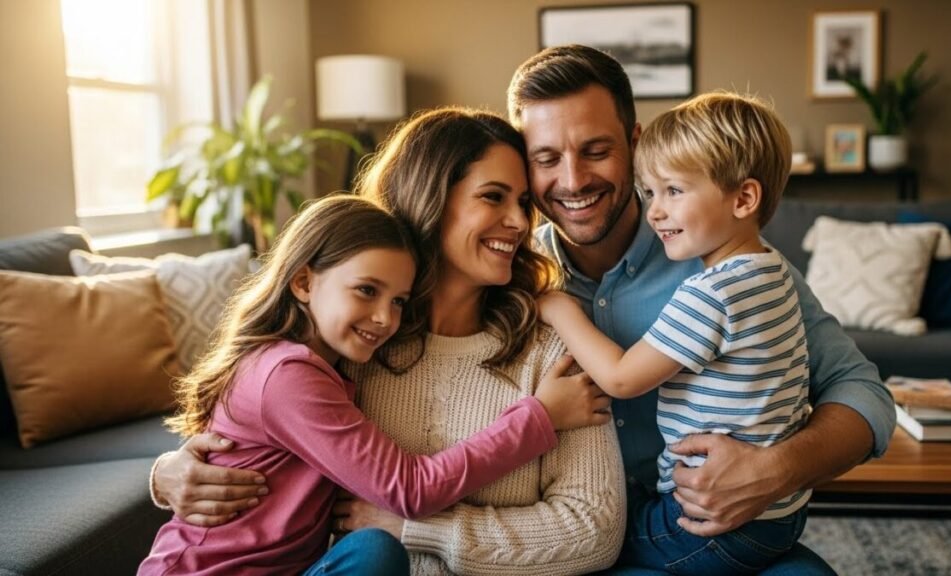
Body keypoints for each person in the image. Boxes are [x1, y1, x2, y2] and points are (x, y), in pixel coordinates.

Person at [150, 108, 627, 575]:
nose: (521, 223)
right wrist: (165, 473)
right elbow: (239, 442)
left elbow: (594, 531)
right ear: (430, 198)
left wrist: (414, 530)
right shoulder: (353, 346)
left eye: (523, 203)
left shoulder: (550, 352)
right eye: (493, 197)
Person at [506, 44, 893, 573]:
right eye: (546, 159)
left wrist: (775, 470)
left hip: (707, 527)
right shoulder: (512, 278)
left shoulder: (729, 262)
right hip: (575, 530)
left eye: (595, 150)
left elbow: (864, 393)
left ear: (635, 144)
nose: (573, 181)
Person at [538, 91, 811, 573]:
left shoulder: (712, 293)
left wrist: (557, 308)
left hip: (712, 520)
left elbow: (622, 379)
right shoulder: (771, 271)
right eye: (649, 193)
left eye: (674, 192)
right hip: (780, 514)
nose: (654, 212)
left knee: (594, 537)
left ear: (744, 198)